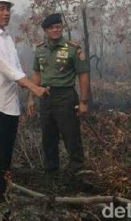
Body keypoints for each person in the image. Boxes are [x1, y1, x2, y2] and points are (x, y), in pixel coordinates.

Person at [0, 0, 48, 201]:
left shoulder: (7, 39)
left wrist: (30, 93)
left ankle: (2, 194)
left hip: (11, 105)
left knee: (7, 153)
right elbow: (6, 68)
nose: (6, 13)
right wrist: (33, 88)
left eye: (7, 8)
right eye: (1, 9)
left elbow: (17, 69)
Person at [27, 13, 90, 175]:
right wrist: (31, 98)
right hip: (46, 97)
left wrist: (83, 101)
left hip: (66, 97)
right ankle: (51, 171)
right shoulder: (40, 50)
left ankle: (77, 169)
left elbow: (83, 75)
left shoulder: (72, 49)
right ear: (46, 30)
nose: (56, 30)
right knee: (48, 137)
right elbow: (36, 75)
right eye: (52, 28)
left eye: (58, 27)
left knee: (71, 134)